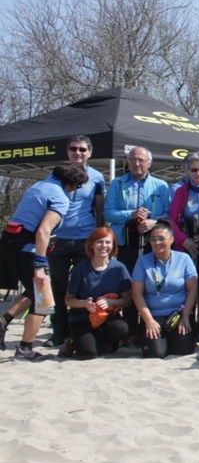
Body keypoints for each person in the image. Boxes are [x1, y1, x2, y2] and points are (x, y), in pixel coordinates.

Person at [0, 163, 89, 359]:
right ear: (72, 184)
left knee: (32, 291)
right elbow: (43, 231)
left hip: (10, 245)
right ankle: (25, 348)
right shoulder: (60, 197)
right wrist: (39, 265)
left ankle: (4, 321)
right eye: (78, 186)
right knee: (44, 301)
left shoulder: (38, 186)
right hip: (28, 250)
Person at [47, 136, 106, 348]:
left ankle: (80, 332)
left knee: (84, 287)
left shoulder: (97, 177)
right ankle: (58, 332)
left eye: (82, 149)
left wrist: (100, 236)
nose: (78, 153)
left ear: (90, 152)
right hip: (59, 238)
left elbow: (99, 210)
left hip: (85, 239)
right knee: (59, 287)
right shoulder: (55, 174)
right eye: (73, 149)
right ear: (68, 151)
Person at [168, 150, 199, 336]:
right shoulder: (180, 191)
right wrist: (184, 241)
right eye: (194, 170)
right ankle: (185, 323)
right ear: (187, 170)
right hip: (186, 245)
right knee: (187, 287)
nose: (198, 173)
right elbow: (172, 221)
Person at [63, 227, 132, 360]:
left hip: (107, 317)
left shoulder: (119, 268)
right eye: (99, 242)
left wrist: (111, 302)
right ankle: (73, 341)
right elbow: (68, 300)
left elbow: (127, 300)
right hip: (82, 317)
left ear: (113, 246)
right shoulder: (80, 269)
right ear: (92, 245)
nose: (103, 246)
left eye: (108, 242)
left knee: (121, 329)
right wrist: (85, 304)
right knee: (90, 354)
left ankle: (104, 340)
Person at [132, 220, 198, 358]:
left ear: (171, 240)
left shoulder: (184, 258)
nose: (156, 243)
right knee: (155, 353)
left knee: (182, 351)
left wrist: (186, 315)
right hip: (153, 315)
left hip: (177, 315)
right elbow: (137, 293)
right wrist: (148, 320)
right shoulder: (142, 261)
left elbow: (193, 289)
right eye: (153, 239)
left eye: (161, 239)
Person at [104, 146, 170, 282]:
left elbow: (168, 214)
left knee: (151, 281)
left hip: (152, 243)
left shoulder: (161, 186)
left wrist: (154, 222)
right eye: (132, 160)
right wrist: (131, 214)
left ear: (149, 163)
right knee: (125, 282)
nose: (136, 163)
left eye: (141, 160)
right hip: (124, 243)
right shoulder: (117, 183)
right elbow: (108, 214)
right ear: (128, 162)